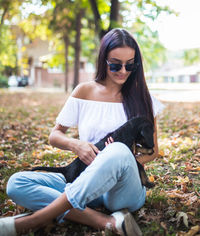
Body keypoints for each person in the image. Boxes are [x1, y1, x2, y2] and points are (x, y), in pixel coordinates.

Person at [0, 28, 164, 236]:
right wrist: (76, 145)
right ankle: (107, 222)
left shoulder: (144, 99)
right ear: (103, 60)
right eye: (115, 64)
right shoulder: (84, 91)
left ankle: (33, 220)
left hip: (122, 191)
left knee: (117, 151)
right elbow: (55, 135)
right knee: (16, 184)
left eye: (129, 64)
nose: (123, 71)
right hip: (84, 180)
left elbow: (153, 152)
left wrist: (119, 160)